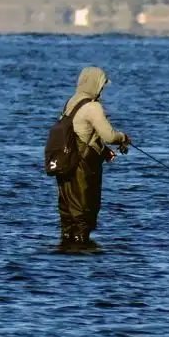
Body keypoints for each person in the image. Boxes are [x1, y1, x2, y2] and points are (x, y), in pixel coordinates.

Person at [56, 66, 130, 251]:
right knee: (84, 208)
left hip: (65, 163)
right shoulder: (92, 106)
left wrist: (104, 152)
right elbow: (109, 135)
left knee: (68, 211)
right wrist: (123, 138)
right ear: (95, 83)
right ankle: (82, 251)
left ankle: (67, 245)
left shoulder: (71, 102)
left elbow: (80, 133)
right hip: (83, 166)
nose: (102, 89)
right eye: (102, 85)